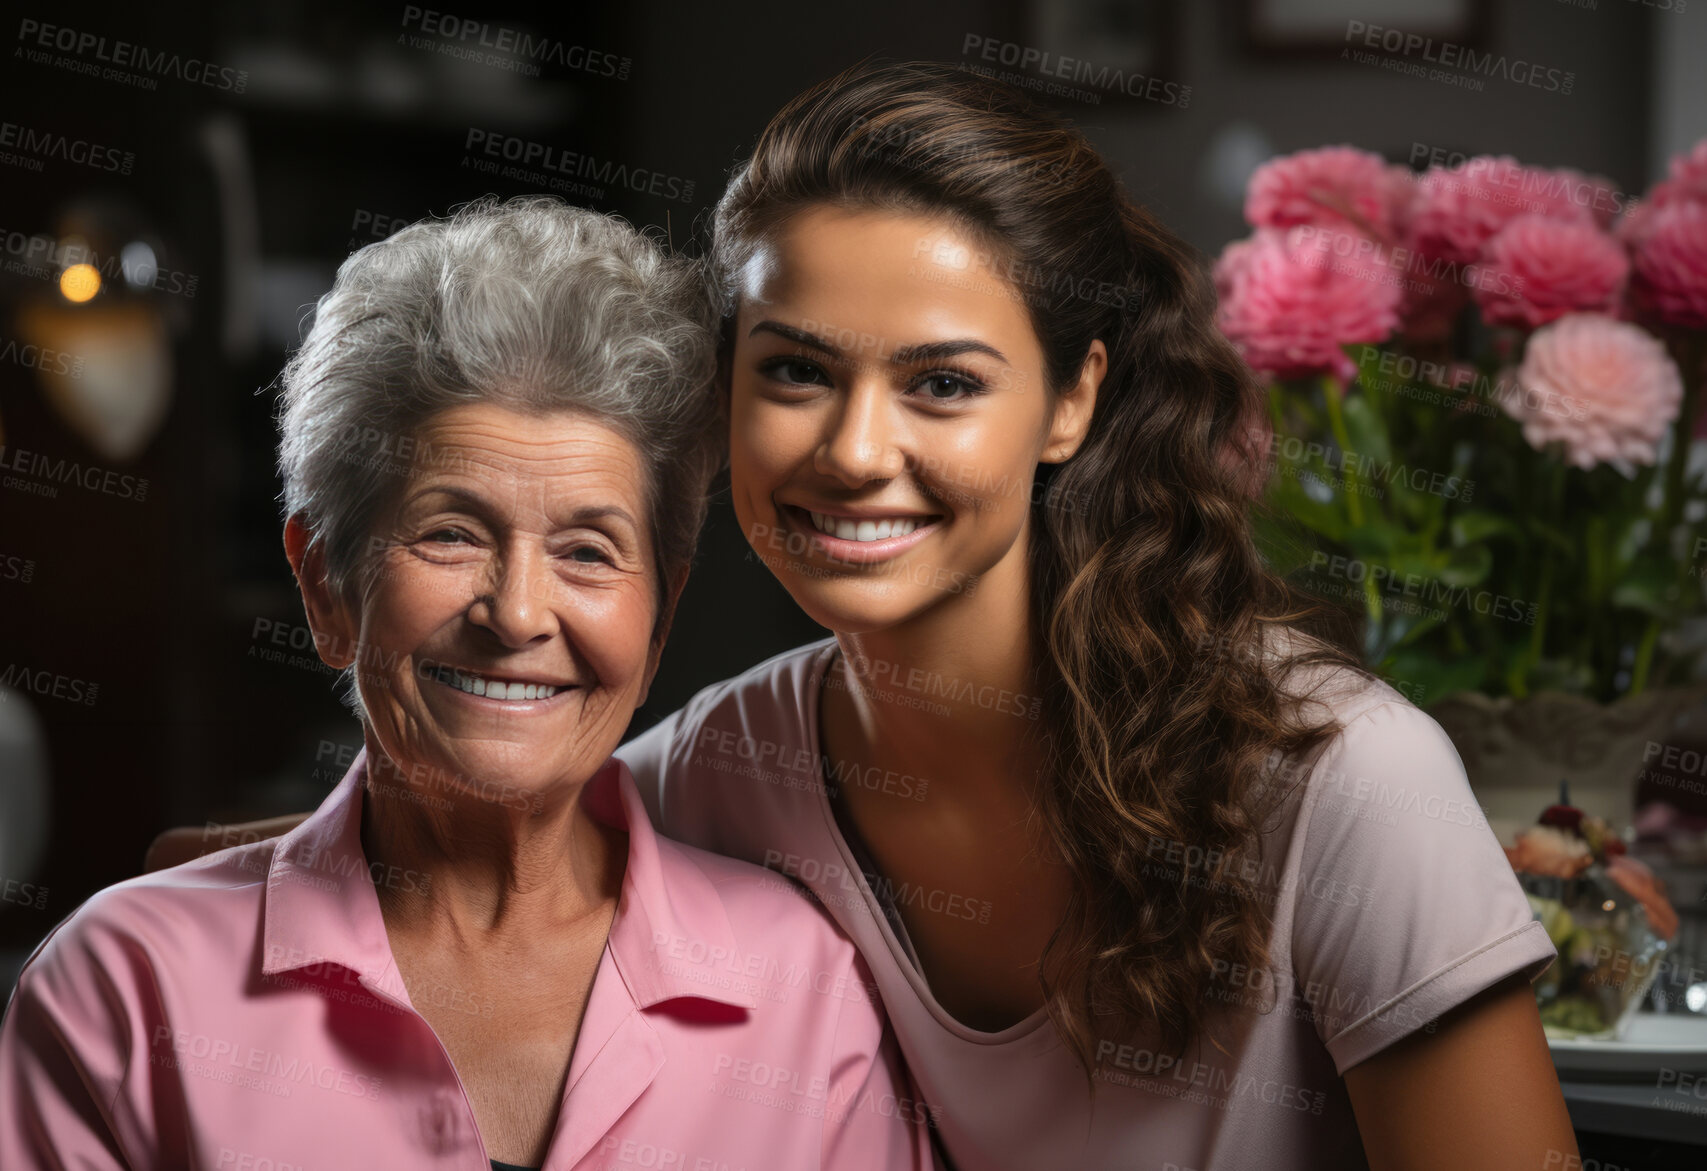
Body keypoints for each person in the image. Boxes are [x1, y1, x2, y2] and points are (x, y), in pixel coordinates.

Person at [146, 64, 1579, 1170]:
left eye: (941, 384)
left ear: (1070, 399)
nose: (850, 449)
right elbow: (447, 841)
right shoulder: (713, 777)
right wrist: (190, 915)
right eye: (794, 372)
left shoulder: (1340, 783)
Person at [0, 196, 931, 1171]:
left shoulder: (805, 993)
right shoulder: (124, 989)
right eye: (450, 533)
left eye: (588, 549)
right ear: (327, 587)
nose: (518, 612)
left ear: (660, 615)